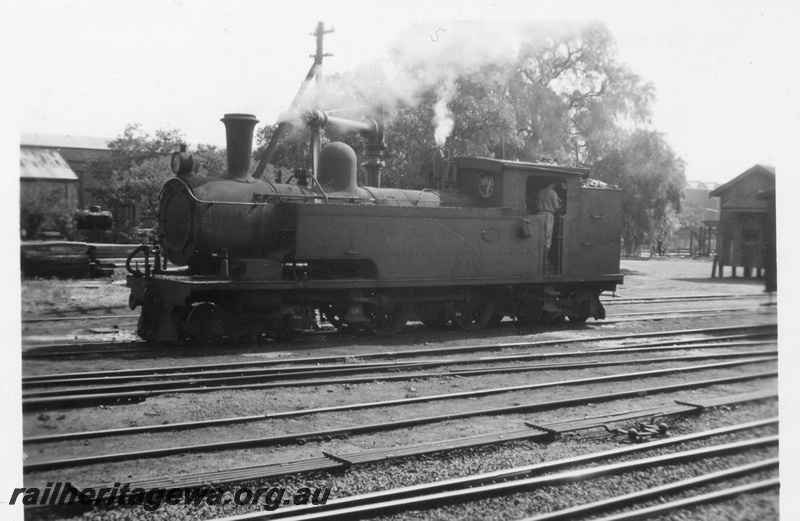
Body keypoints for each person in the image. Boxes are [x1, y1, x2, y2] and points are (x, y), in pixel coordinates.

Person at [535, 182, 562, 256]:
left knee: (539, 236)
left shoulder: (540, 192)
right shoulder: (553, 193)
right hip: (548, 215)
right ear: (553, 184)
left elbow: (536, 203)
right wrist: (560, 203)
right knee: (547, 236)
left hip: (539, 214)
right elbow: (556, 207)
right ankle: (545, 258)